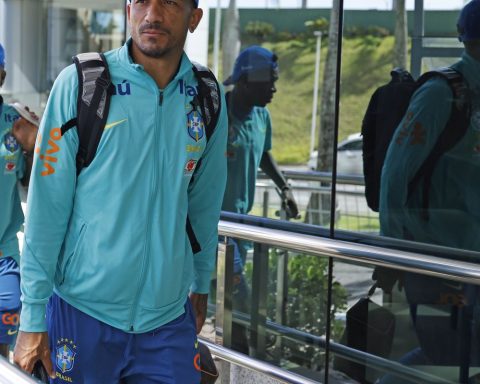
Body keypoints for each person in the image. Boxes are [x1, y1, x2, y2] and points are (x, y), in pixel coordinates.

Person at [13, 1, 227, 382]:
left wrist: (201, 280)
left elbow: (205, 203)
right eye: (142, 1)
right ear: (129, 10)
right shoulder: (82, 85)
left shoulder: (206, 97)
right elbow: (47, 212)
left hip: (166, 321)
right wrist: (31, 316)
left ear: (194, 19)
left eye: (170, 3)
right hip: (81, 315)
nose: (153, 14)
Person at [379, 1, 480, 381]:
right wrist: (392, 254)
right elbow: (395, 175)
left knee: (462, 360)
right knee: (449, 359)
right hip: (434, 262)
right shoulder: (442, 93)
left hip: (472, 263)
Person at [220, 46, 298, 352]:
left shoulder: (262, 117)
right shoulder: (216, 114)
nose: (275, 89)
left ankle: (237, 357)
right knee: (239, 297)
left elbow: (263, 153)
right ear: (245, 82)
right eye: (269, 83)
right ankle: (241, 358)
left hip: (242, 224)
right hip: (213, 227)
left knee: (232, 299)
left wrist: (285, 187)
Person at [0, 43, 39, 359]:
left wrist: (32, 147)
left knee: (5, 346)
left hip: (5, 255)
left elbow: (30, 184)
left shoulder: (15, 121)